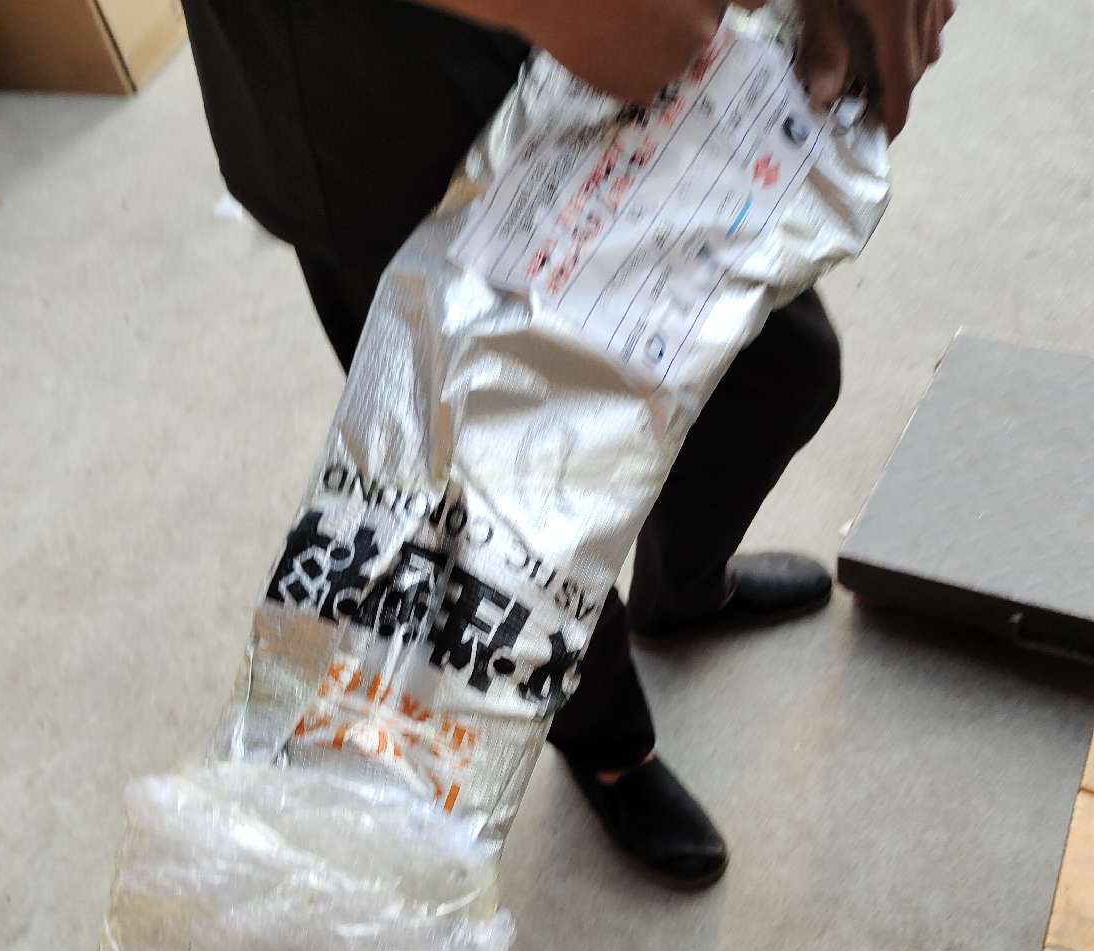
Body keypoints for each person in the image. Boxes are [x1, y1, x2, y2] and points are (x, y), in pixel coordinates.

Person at [180, 0, 950, 884]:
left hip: (567, 94)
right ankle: (609, 745)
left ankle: (682, 589)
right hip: (361, 113)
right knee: (498, 522)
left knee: (787, 370)